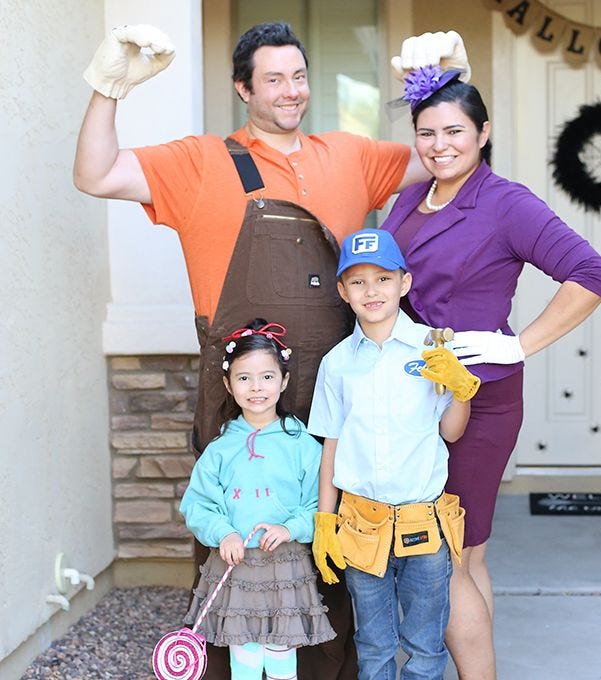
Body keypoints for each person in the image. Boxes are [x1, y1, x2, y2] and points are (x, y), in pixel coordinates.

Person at [73, 22, 467, 680]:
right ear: (242, 88)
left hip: (340, 383)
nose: (292, 91)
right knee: (242, 540)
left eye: (299, 76)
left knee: (336, 539)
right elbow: (95, 173)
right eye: (274, 79)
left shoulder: (350, 154)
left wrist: (451, 80)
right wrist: (107, 88)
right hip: (243, 395)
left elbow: (448, 153)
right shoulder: (199, 161)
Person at [380, 66, 601, 679]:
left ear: (482, 133)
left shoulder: (506, 203)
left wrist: (518, 346)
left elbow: (592, 276)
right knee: (468, 556)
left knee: (449, 553)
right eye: (426, 132)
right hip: (411, 396)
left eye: (454, 130)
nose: (440, 145)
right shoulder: (410, 198)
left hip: (476, 399)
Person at [307, 228, 480, 680]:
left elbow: (453, 433)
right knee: (374, 645)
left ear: (404, 283)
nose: (372, 291)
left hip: (425, 526)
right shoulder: (337, 362)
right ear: (343, 291)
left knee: (425, 647)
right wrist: (325, 521)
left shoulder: (433, 348)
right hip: (362, 526)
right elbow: (332, 444)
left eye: (383, 278)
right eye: (359, 282)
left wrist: (461, 390)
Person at [179, 319, 334, 680]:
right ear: (228, 384)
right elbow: (197, 505)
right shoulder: (220, 449)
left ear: (284, 380)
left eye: (267, 376)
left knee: (281, 657)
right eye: (244, 377)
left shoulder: (302, 446)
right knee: (245, 659)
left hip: (284, 568)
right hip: (236, 569)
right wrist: (224, 533)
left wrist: (290, 526)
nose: (256, 387)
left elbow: (321, 506)